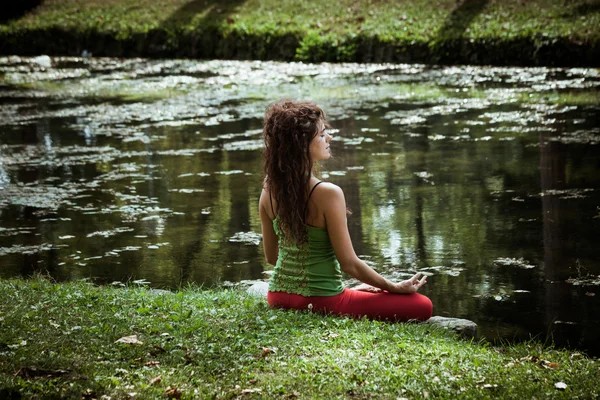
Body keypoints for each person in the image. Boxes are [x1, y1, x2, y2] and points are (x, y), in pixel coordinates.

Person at [258, 100, 433, 321]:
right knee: (423, 305)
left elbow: (272, 257)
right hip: (323, 301)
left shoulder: (268, 189)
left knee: (361, 292)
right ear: (302, 143)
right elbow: (349, 263)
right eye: (322, 135)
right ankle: (351, 293)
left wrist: (354, 290)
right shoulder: (328, 193)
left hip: (278, 297)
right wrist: (394, 286)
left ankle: (350, 293)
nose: (328, 138)